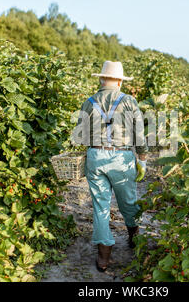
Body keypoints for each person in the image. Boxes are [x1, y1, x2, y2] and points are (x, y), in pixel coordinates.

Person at [76, 61, 148, 272]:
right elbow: (139, 135)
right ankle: (134, 238)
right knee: (128, 201)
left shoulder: (89, 102)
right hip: (121, 158)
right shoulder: (129, 101)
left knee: (100, 207)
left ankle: (103, 257)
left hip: (95, 156)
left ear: (101, 79)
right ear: (119, 81)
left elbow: (81, 135)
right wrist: (142, 158)